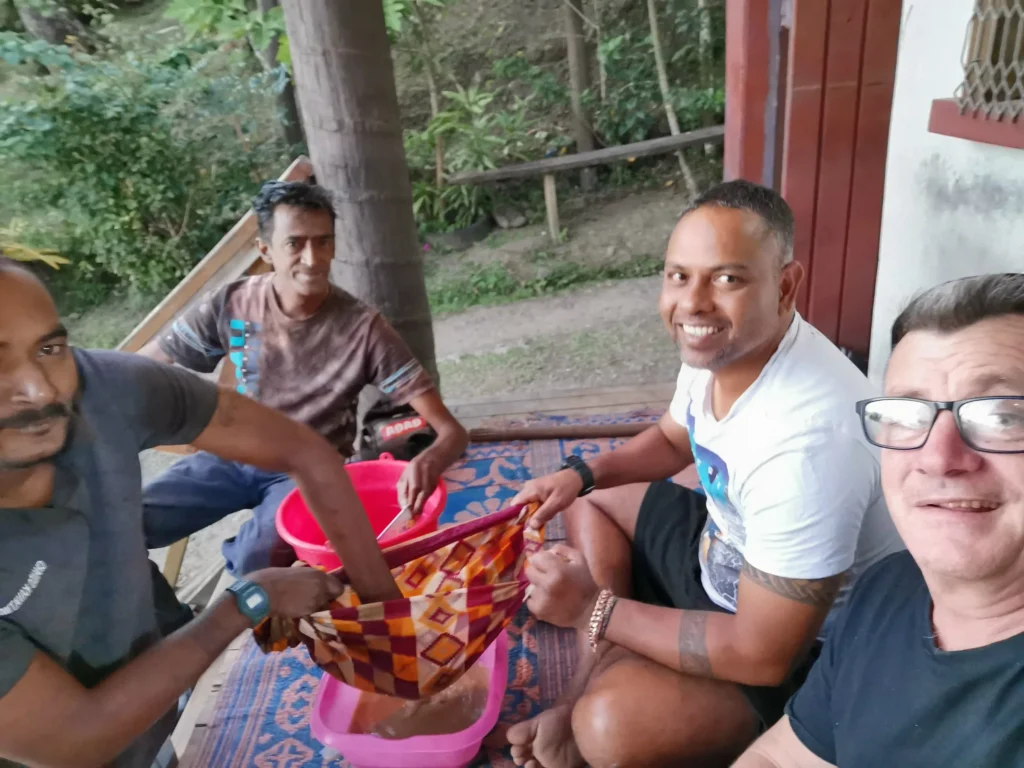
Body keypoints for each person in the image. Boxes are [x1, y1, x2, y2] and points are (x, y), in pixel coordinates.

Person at [506, 180, 904, 768]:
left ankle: (600, 676)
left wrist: (595, 609)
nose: (692, 303)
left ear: (786, 287)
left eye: (727, 278)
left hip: (795, 639)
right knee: (590, 501)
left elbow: (763, 654)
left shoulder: (808, 445)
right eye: (678, 275)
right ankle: (600, 668)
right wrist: (580, 473)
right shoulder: (721, 347)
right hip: (720, 551)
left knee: (608, 728)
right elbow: (673, 439)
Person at [0, 257, 401, 768]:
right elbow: (75, 740)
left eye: (49, 348)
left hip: (156, 717)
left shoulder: (104, 389)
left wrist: (386, 616)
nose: (40, 390)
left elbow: (306, 451)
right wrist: (248, 601)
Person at [734, 273, 1024, 768]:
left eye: (1001, 414)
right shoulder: (888, 589)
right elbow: (782, 758)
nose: (938, 457)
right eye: (909, 414)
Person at [140, 180, 468, 576]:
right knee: (128, 523)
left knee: (255, 563)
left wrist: (429, 459)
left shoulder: (364, 329)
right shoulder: (232, 302)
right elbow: (144, 369)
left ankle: (244, 600)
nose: (312, 258)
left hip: (307, 470)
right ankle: (161, 622)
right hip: (232, 452)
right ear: (266, 251)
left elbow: (451, 432)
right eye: (295, 243)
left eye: (323, 242)